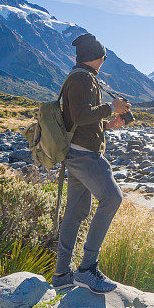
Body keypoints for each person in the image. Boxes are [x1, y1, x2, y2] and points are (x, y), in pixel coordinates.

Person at [51, 33, 131, 294]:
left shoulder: (81, 77)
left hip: (76, 154)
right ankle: (87, 269)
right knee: (112, 198)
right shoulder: (83, 79)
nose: (104, 61)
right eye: (104, 57)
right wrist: (111, 107)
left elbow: (80, 120)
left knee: (75, 213)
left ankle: (62, 274)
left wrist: (107, 125)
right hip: (85, 156)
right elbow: (82, 115)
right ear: (98, 58)